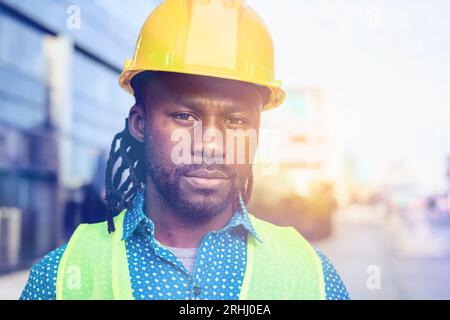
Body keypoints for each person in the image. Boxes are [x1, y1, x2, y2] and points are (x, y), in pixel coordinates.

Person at [21, 0, 349, 300]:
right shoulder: (58, 280)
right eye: (184, 116)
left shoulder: (313, 278)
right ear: (140, 124)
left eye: (235, 121)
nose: (210, 142)